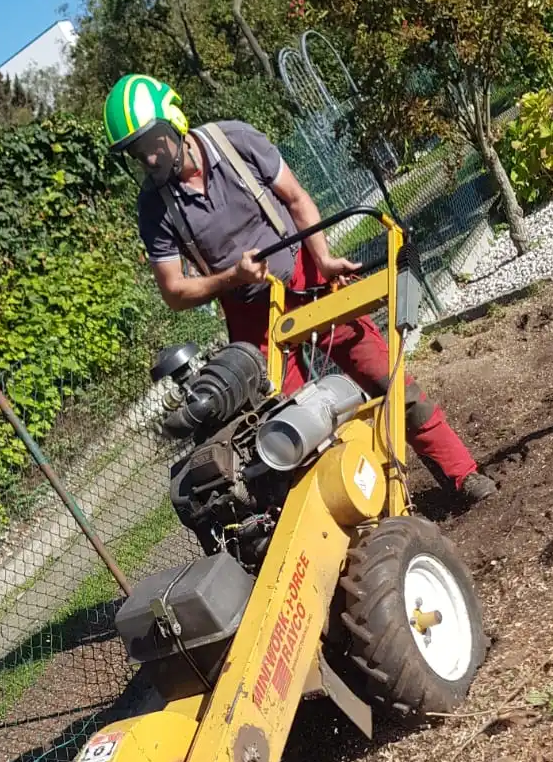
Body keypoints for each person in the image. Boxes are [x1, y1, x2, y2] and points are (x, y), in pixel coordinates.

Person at [103, 73, 497, 505]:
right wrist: (231, 278)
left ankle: (463, 475)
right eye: (137, 153)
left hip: (309, 281)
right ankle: (360, 512)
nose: (150, 158)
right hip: (252, 318)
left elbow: (296, 198)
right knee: (292, 431)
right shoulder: (154, 206)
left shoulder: (235, 141)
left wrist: (324, 258)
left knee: (392, 382)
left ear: (174, 121)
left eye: (153, 142)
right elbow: (174, 291)